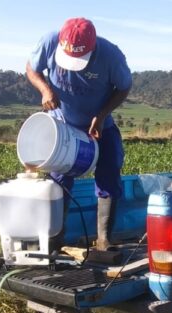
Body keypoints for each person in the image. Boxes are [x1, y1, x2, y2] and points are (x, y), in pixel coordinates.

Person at [25, 17, 132, 252]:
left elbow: (124, 87)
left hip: (99, 124)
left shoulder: (111, 56)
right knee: (59, 178)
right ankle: (55, 239)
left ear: (92, 47)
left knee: (110, 167)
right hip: (62, 125)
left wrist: (102, 116)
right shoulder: (49, 42)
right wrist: (45, 90)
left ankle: (104, 239)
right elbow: (32, 68)